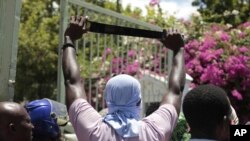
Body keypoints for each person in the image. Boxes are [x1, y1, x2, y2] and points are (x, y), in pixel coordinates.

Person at [62, 16, 185, 141]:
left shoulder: (92, 129)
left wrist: (69, 38)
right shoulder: (154, 130)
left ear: (107, 100)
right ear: (138, 101)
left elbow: (71, 82)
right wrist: (178, 49)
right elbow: (175, 90)